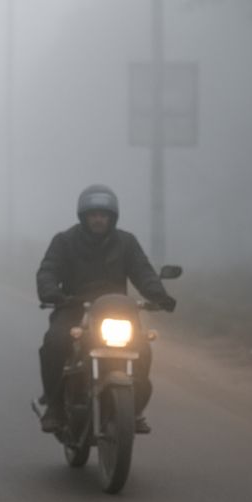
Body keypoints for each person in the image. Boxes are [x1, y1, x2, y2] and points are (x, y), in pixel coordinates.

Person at [35, 183, 176, 434]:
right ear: (84, 216)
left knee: (142, 349)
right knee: (55, 342)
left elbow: (143, 272)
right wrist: (50, 291)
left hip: (117, 311)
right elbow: (48, 269)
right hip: (75, 307)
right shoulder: (65, 241)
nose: (99, 219)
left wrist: (159, 295)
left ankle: (133, 409)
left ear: (112, 217)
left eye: (103, 215)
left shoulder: (126, 243)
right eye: (93, 214)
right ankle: (55, 406)